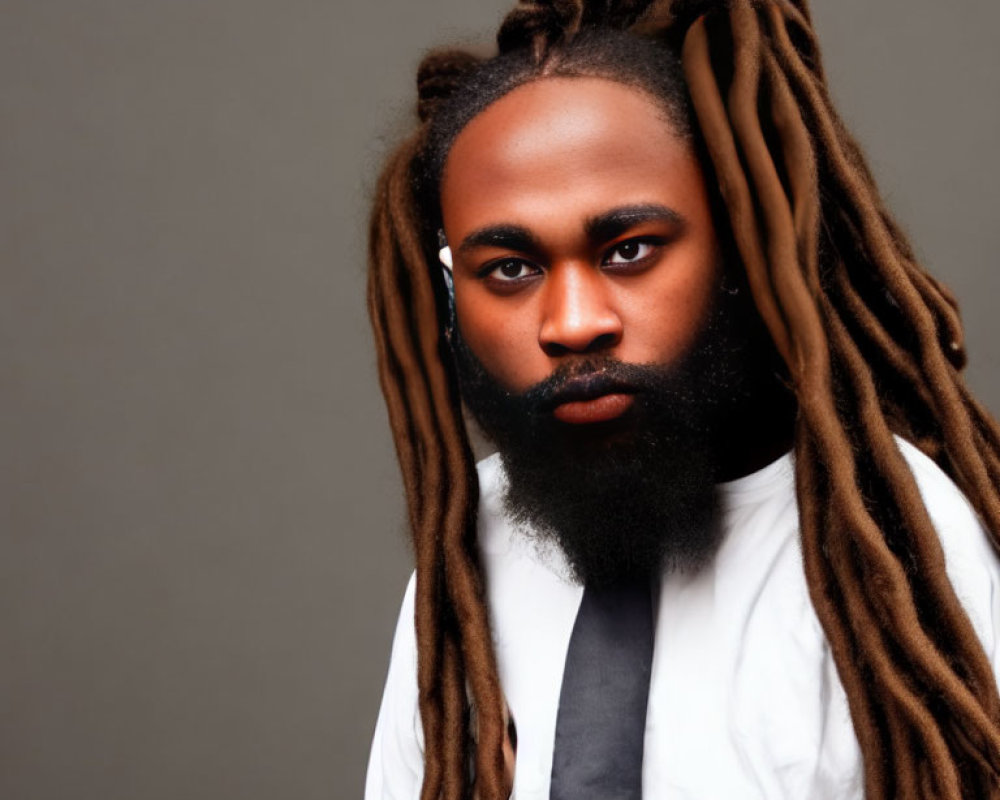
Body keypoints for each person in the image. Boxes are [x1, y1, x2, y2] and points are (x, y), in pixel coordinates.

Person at [364, 1, 1000, 798]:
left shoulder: (896, 541)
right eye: (511, 270)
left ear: (735, 240)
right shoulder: (468, 552)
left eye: (629, 251)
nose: (572, 324)